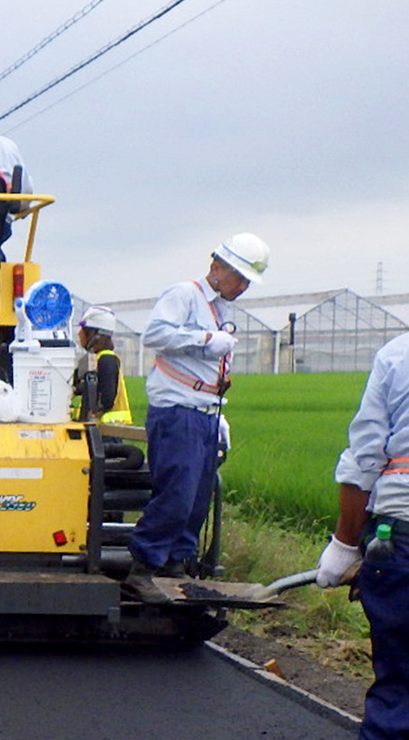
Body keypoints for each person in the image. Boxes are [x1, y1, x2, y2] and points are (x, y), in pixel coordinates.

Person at [122, 234, 271, 603]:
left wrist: (219, 414)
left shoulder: (222, 309)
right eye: (240, 278)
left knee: (197, 498)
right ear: (217, 268)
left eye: (247, 281)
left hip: (204, 411)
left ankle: (175, 564)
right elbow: (155, 334)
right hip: (177, 410)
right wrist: (205, 339)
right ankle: (142, 568)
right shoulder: (185, 295)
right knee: (177, 493)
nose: (243, 287)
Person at [316, 330, 409, 739]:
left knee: (400, 685)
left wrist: (343, 546)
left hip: (401, 536)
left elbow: (364, 460)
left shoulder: (398, 354)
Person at [74, 306, 132, 424]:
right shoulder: (96, 359)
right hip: (102, 430)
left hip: (107, 431)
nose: (80, 335)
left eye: (84, 331)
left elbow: (107, 397)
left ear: (96, 335)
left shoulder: (106, 359)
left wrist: (94, 414)